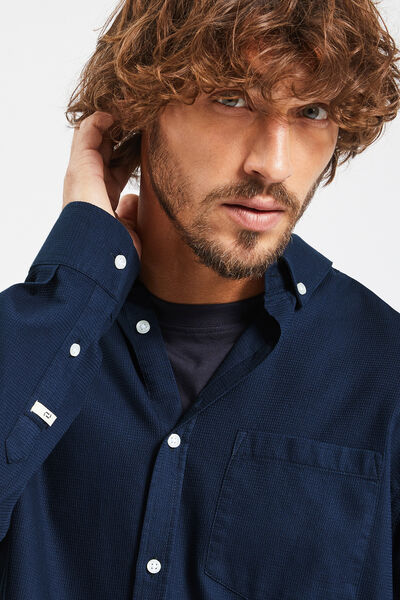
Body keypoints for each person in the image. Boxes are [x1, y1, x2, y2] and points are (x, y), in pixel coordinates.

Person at [0, 0, 399, 598]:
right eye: (233, 100)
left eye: (312, 112)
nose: (273, 164)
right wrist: (77, 275)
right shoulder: (38, 347)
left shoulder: (385, 372)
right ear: (138, 109)